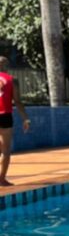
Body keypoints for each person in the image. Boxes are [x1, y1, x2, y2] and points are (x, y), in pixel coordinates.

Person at [0, 57, 31, 187]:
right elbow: (17, 101)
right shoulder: (12, 80)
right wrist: (25, 118)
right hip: (5, 116)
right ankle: (1, 179)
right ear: (6, 66)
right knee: (5, 150)